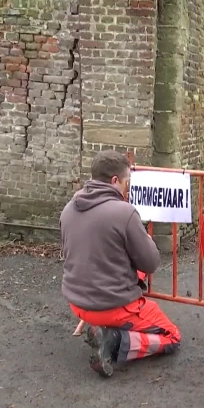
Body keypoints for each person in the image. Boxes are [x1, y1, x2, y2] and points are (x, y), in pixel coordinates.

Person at [60, 149, 181, 377]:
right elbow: (151, 263)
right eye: (127, 182)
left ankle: (104, 330)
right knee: (171, 337)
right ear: (115, 180)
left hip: (77, 304)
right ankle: (113, 340)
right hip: (112, 306)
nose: (127, 189)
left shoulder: (68, 209)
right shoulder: (123, 212)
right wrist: (145, 239)